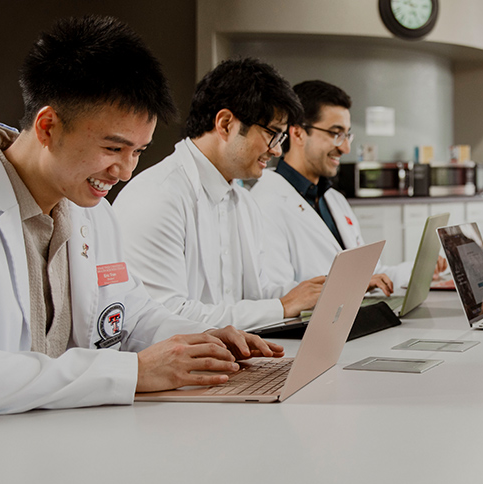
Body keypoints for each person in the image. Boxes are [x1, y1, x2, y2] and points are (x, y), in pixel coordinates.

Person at [0, 16, 282, 440]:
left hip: (42, 445)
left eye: (138, 151)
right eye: (113, 148)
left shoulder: (90, 211)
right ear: (47, 126)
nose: (126, 171)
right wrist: (132, 372)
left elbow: (128, 314)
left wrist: (199, 342)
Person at [113, 58, 327, 330]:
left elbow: (254, 296)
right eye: (273, 134)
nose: (276, 151)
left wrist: (312, 292)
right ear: (225, 124)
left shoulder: (242, 201)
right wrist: (282, 306)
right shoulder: (157, 197)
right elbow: (164, 318)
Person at [251, 80, 443, 293]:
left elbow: (372, 275)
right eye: (336, 133)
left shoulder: (333, 199)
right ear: (297, 133)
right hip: (310, 325)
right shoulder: (264, 203)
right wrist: (352, 285)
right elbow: (278, 295)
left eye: (347, 134)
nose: (345, 147)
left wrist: (421, 269)